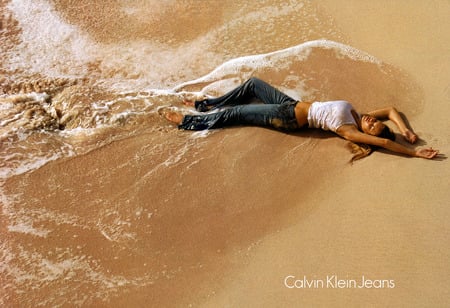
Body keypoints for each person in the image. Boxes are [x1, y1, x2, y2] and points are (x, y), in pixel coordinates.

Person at [164, 77, 439, 161]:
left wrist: (413, 152)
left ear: (369, 135)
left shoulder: (349, 131)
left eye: (372, 126)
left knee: (237, 114)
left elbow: (387, 145)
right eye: (373, 121)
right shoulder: (357, 115)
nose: (370, 119)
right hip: (291, 104)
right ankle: (205, 105)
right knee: (252, 85)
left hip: (287, 118)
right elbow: (391, 110)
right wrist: (405, 131)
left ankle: (190, 122)